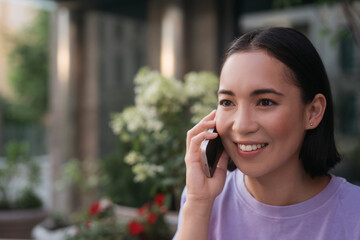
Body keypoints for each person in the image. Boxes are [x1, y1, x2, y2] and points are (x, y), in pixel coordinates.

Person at [173, 27, 360, 240]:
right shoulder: (205, 198)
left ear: (313, 111)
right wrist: (198, 204)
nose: (241, 126)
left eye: (265, 102)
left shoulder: (354, 215)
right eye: (227, 102)